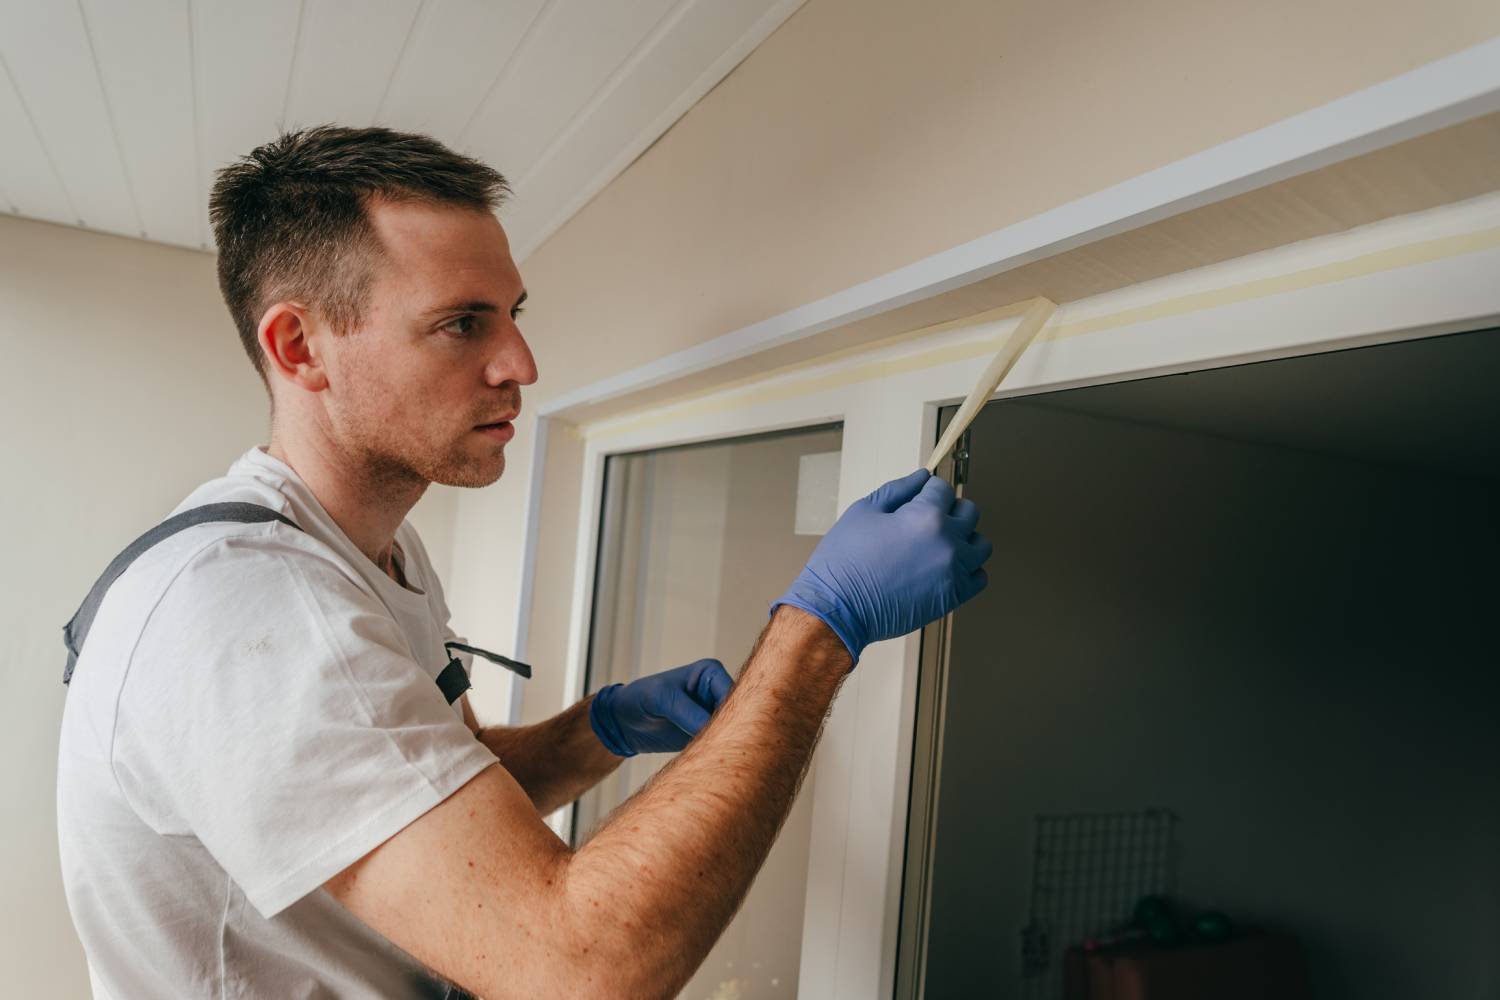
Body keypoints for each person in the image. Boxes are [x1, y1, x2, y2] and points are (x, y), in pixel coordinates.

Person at [55, 125, 992, 999]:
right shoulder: (246, 605)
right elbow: (580, 970)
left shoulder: (374, 550)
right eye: (463, 323)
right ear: (300, 346)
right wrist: (822, 627)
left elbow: (425, 787)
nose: (522, 361)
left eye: (512, 313)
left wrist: (597, 730)